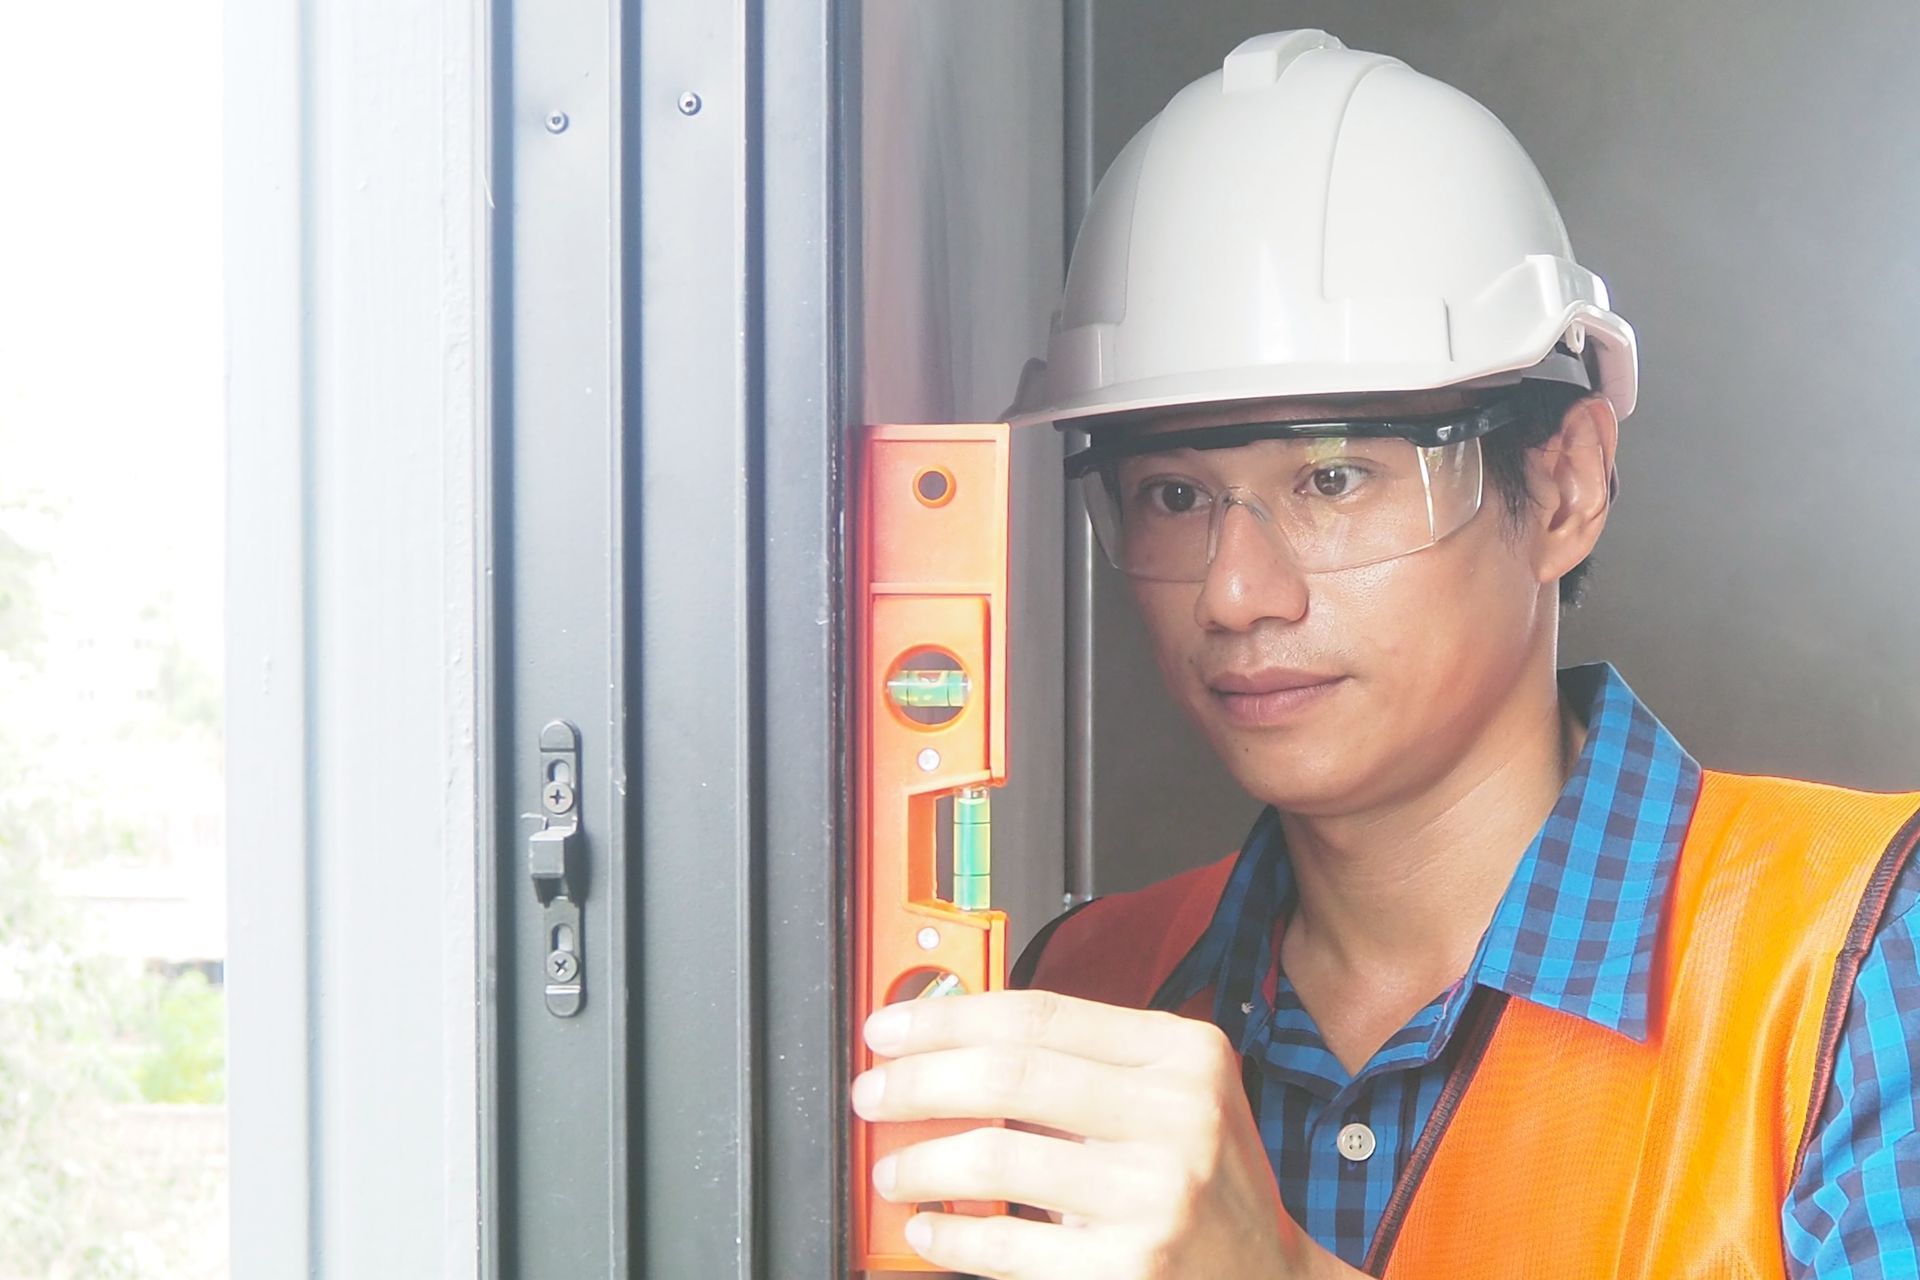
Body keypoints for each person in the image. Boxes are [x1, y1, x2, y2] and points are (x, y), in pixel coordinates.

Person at [849, 29, 1920, 1279]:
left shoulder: (1854, 953)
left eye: (1333, 477)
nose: (1237, 593)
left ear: (1567, 484)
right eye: (1174, 497)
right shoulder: (1076, 993)